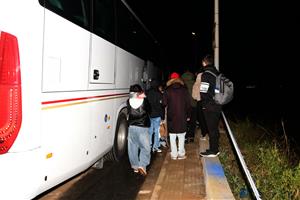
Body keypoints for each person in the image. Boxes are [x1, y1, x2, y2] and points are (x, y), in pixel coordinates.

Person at [163, 72, 191, 160]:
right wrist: (188, 115)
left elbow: (164, 103)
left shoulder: (167, 90)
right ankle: (181, 154)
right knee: (181, 136)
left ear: (171, 80)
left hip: (172, 116)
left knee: (172, 136)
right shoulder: (185, 90)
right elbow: (188, 104)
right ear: (179, 79)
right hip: (182, 116)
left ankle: (174, 155)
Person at [199, 54, 222, 157]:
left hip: (209, 105)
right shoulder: (217, 73)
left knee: (211, 128)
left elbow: (203, 91)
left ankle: (213, 150)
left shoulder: (206, 74)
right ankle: (215, 147)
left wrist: (204, 104)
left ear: (204, 63)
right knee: (214, 127)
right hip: (218, 104)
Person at [127, 84, 151, 176]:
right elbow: (149, 110)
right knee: (145, 147)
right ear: (140, 91)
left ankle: (135, 166)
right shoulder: (144, 100)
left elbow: (129, 112)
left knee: (132, 147)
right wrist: (143, 96)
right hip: (143, 127)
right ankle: (142, 165)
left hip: (132, 127)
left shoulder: (128, 101)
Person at [146, 79, 165, 153]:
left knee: (150, 131)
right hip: (157, 115)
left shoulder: (147, 93)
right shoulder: (159, 94)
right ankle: (155, 147)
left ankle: (149, 145)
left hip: (149, 115)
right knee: (157, 131)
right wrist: (162, 116)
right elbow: (161, 106)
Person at [192, 69, 209, 140]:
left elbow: (195, 92)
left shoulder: (199, 79)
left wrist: (195, 97)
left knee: (201, 119)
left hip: (200, 101)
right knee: (207, 118)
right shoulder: (208, 77)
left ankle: (204, 134)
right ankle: (208, 133)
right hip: (208, 101)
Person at [181, 69, 197, 143]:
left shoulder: (182, 84)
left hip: (184, 106)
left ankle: (185, 137)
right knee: (193, 122)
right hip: (193, 105)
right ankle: (191, 136)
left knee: (185, 122)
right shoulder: (195, 83)